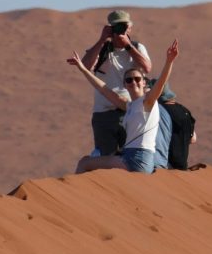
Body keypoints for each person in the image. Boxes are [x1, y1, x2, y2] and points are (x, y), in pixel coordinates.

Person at [67, 40, 179, 174]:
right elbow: (103, 89)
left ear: (144, 83)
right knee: (90, 161)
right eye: (129, 80)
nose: (134, 82)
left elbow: (160, 83)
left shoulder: (147, 102)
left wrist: (169, 61)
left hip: (137, 160)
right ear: (125, 85)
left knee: (85, 163)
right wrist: (83, 69)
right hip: (130, 157)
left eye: (137, 79)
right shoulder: (129, 105)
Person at [81, 10, 152, 156]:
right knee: (106, 157)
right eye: (116, 27)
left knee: (130, 157)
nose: (120, 30)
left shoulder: (137, 48)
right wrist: (101, 40)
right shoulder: (102, 49)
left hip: (130, 111)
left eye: (123, 27)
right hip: (104, 112)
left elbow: (147, 68)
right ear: (109, 28)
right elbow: (85, 67)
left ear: (130, 28)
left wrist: (127, 46)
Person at [158, 83, 197, 170]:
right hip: (182, 165)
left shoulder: (159, 111)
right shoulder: (184, 110)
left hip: (166, 166)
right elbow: (193, 139)